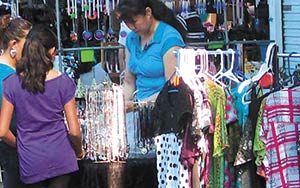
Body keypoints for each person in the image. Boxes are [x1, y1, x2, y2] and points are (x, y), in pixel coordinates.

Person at [0, 25, 84, 188]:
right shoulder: (64, 82)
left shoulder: (11, 84)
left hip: (31, 159)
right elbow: (74, 131)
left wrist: (20, 145)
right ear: (52, 52)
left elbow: (2, 131)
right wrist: (79, 151)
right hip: (61, 156)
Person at [116, 0, 186, 107]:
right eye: (127, 23)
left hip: (165, 110)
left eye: (134, 21)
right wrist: (121, 105)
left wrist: (138, 105)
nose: (131, 27)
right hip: (139, 111)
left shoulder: (170, 39)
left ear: (148, 13)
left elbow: (171, 88)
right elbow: (129, 82)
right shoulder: (132, 39)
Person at [0, 14, 32, 188]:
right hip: (15, 156)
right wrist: (23, 147)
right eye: (28, 45)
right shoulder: (7, 78)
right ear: (13, 45)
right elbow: (3, 129)